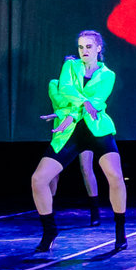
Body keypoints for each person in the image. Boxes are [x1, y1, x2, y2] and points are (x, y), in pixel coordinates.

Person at [33, 30, 128, 253]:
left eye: (88, 46)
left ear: (98, 48)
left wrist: (73, 112)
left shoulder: (108, 75)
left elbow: (97, 103)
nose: (84, 50)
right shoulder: (70, 66)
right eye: (80, 47)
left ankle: (120, 230)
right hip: (71, 132)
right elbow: (65, 89)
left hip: (97, 129)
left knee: (115, 176)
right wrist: (79, 108)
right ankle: (49, 231)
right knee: (38, 179)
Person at [46, 75, 103, 226]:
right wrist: (78, 102)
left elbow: (88, 105)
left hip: (82, 130)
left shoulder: (82, 87)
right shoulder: (55, 84)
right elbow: (60, 103)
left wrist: (79, 102)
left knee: (86, 168)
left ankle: (95, 211)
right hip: (63, 133)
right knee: (53, 172)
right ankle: (50, 208)